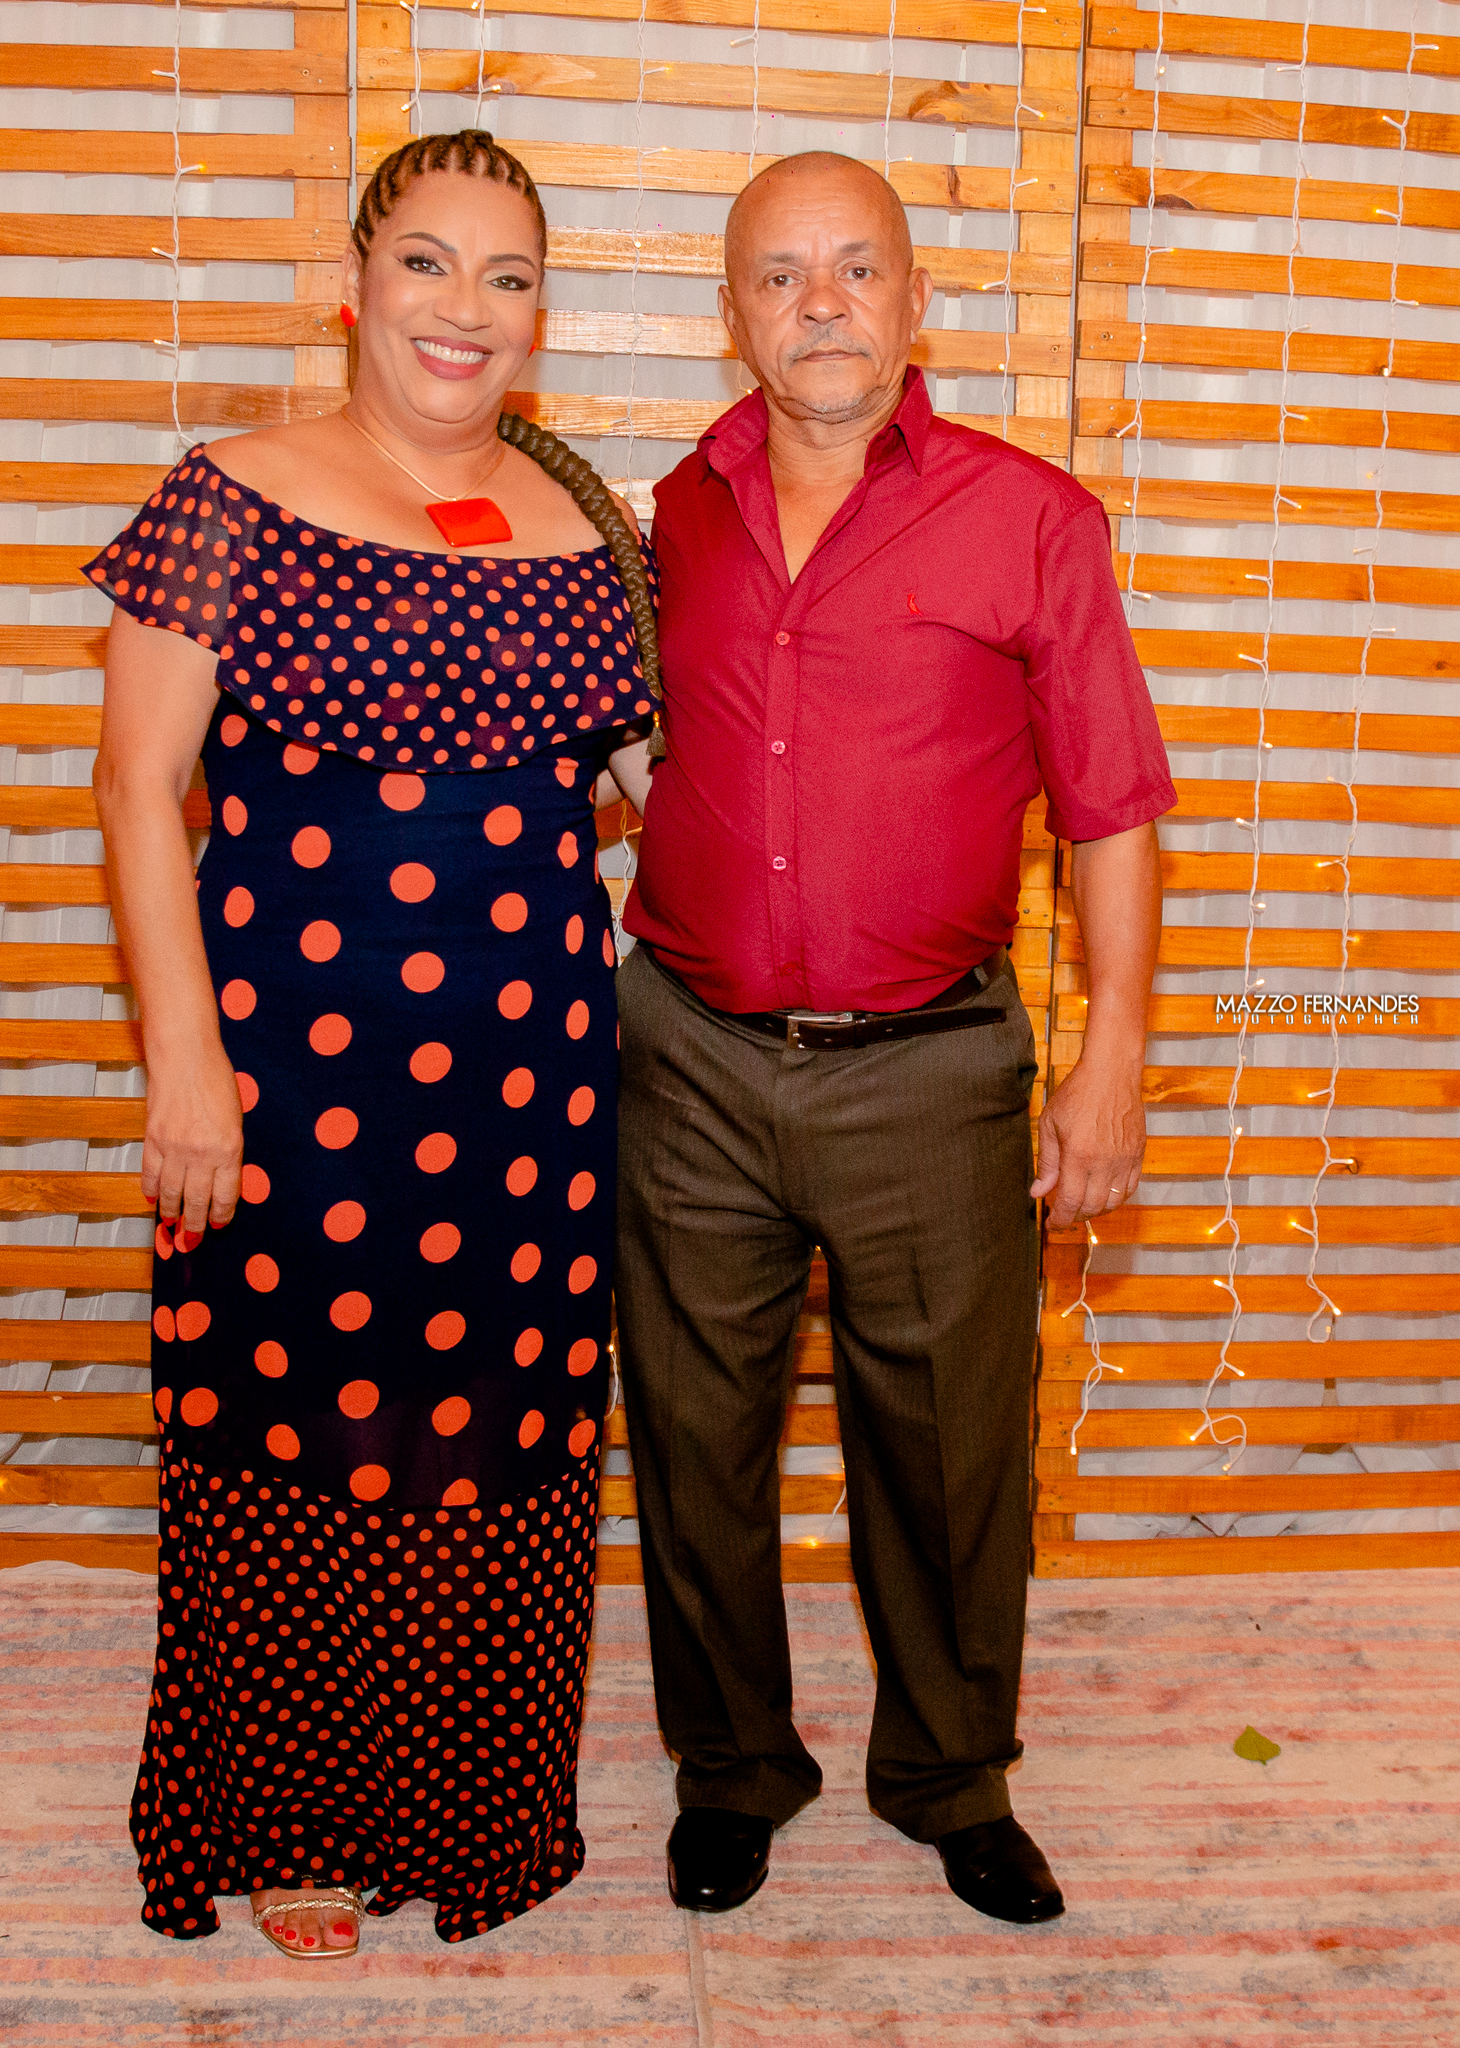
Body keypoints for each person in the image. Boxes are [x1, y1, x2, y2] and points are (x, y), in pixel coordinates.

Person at [87, 131, 656, 1955]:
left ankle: (475, 1809)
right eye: (427, 261)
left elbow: (650, 797)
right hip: (288, 1081)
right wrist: (184, 1063)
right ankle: (288, 1822)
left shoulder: (590, 539)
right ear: (356, 282)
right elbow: (135, 788)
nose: (463, 307)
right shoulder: (231, 497)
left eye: (506, 275)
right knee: (293, 1421)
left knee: (498, 1434)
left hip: (530, 1096)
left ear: (539, 314)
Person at [610, 151, 1175, 1924]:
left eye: (856, 266)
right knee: (694, 1440)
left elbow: (1113, 807)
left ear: (916, 300)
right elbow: (643, 743)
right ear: (732, 315)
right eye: (779, 275)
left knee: (945, 1457)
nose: (821, 304)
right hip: (689, 1058)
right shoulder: (677, 511)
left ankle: (947, 1776)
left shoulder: (1032, 518)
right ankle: (731, 1771)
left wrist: (1108, 1059)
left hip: (931, 1068)